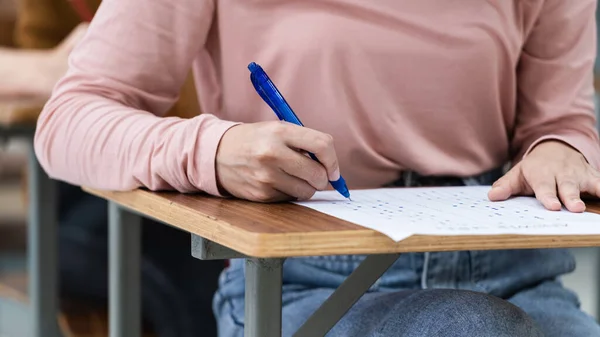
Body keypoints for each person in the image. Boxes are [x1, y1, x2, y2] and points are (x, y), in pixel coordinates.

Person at [33, 0, 600, 336]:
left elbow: (563, 118)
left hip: (516, 267)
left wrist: (560, 147)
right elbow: (68, 122)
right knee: (470, 327)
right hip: (309, 278)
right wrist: (213, 149)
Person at [3, 0, 224, 336]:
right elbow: (58, 81)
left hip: (201, 181)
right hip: (97, 192)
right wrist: (57, 69)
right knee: (197, 282)